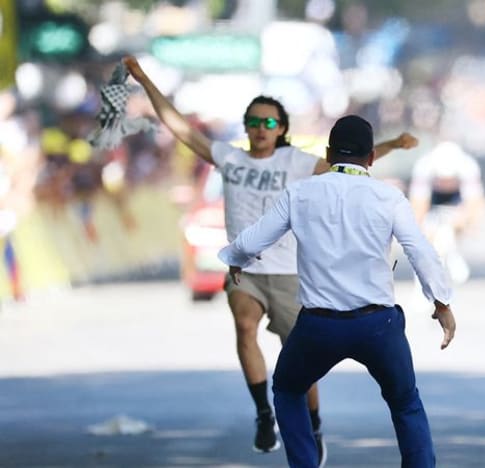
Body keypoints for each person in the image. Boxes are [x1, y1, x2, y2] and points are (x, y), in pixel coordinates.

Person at [123, 56, 418, 461]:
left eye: (269, 123)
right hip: (248, 271)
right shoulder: (229, 158)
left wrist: (391, 145)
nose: (261, 129)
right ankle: (264, 414)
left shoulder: (296, 161)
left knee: (299, 361)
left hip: (290, 275)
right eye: (254, 122)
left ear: (281, 129)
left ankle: (312, 424)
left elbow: (346, 164)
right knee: (245, 325)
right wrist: (144, 80)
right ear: (245, 127)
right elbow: (178, 127)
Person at [219, 115, 456, 468]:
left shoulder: (301, 193)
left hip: (318, 328)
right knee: (405, 403)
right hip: (377, 326)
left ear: (328, 154)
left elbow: (255, 238)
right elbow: (420, 250)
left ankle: (306, 463)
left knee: (287, 389)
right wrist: (441, 303)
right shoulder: (389, 197)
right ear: (372, 157)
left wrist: (236, 258)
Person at [408, 141, 485, 284]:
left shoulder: (468, 167)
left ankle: (451, 253)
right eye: (442, 179)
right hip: (433, 197)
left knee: (455, 225)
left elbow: (474, 202)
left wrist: (469, 224)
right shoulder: (424, 167)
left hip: (457, 197)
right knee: (428, 231)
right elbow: (418, 204)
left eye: (449, 179)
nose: (446, 183)